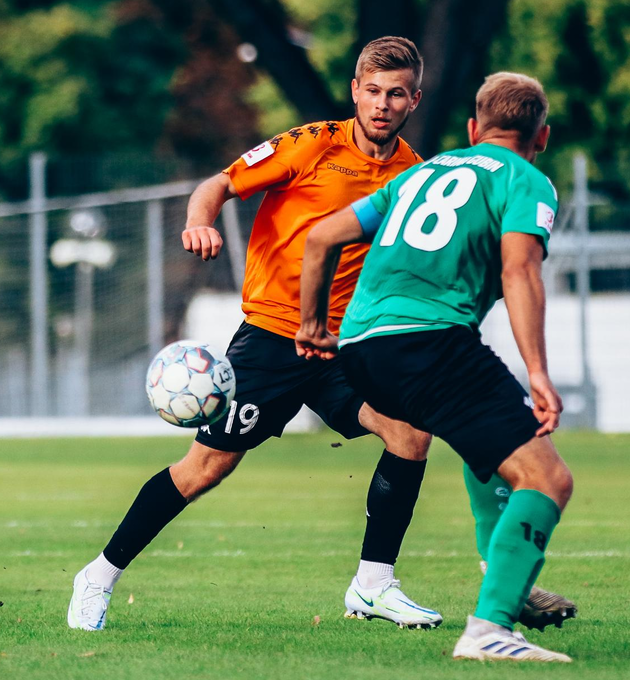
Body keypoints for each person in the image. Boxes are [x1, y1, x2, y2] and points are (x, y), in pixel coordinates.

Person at [68, 37, 443, 631]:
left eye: (396, 94)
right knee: (204, 470)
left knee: (410, 432)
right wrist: (200, 223)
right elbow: (216, 185)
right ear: (355, 91)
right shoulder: (311, 144)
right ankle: (98, 575)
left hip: (341, 346)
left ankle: (373, 584)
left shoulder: (416, 175)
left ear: (413, 100)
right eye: (372, 91)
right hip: (271, 339)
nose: (382, 104)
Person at [296, 72, 575, 662]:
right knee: (548, 479)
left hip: (360, 349)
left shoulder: (418, 173)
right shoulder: (527, 180)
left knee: (487, 447)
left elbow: (320, 239)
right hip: (429, 344)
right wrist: (539, 372)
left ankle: (504, 577)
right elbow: (519, 270)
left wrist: (312, 327)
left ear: (474, 130)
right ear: (542, 137)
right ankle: (490, 628)